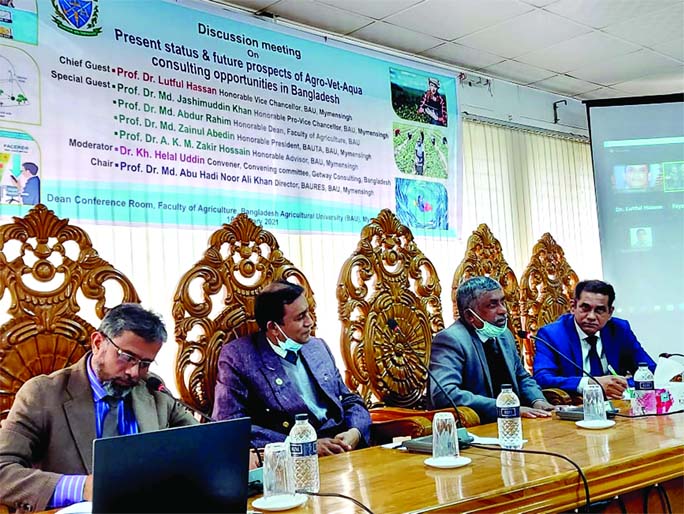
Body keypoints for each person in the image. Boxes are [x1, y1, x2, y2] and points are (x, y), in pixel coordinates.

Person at [0, 304, 197, 513]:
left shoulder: (152, 389)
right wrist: (82, 487)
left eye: (145, 363)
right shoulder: (42, 394)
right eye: (127, 357)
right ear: (97, 343)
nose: (133, 372)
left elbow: (200, 444)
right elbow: (3, 471)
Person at [213, 281, 371, 455]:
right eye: (300, 317)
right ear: (273, 328)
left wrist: (355, 431)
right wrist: (302, 446)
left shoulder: (317, 347)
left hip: (344, 450)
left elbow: (349, 400)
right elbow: (230, 425)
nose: (310, 322)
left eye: (308, 312)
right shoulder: (238, 357)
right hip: (294, 462)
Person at [429, 276, 554, 424]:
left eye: (503, 301)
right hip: (474, 427)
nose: (503, 310)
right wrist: (506, 408)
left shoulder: (504, 334)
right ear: (470, 315)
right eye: (492, 305)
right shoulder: (451, 340)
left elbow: (521, 377)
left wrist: (537, 400)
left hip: (516, 423)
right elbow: (444, 394)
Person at [533, 280, 655, 399]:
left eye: (599, 310)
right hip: (576, 407)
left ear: (610, 312)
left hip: (618, 405)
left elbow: (650, 370)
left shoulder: (619, 330)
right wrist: (591, 383)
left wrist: (619, 385)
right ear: (573, 307)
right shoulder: (551, 335)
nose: (591, 317)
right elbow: (542, 378)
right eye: (585, 308)